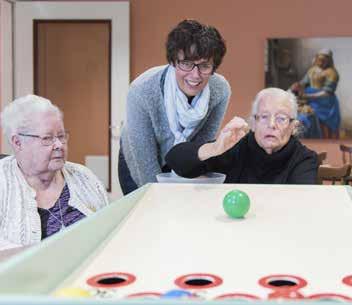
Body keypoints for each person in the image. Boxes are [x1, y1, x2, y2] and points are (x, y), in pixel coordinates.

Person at [119, 19, 231, 194]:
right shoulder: (142, 90)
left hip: (182, 159)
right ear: (172, 61)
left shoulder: (220, 90)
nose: (195, 75)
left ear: (214, 66)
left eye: (204, 65)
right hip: (138, 158)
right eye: (186, 63)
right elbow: (143, 161)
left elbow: (200, 148)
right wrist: (157, 199)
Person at [0, 95, 109, 250]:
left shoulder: (84, 177)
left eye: (61, 136)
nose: (59, 145)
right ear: (18, 142)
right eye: (47, 138)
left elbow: (112, 228)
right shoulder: (3, 183)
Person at [166, 88, 319, 184]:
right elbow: (175, 160)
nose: (271, 124)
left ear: (293, 126)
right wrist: (214, 148)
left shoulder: (305, 159)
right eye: (264, 116)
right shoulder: (235, 146)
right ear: (253, 123)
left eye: (281, 118)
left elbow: (300, 204)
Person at [291, 49, 341, 138]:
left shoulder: (332, 73)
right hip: (310, 99)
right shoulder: (312, 70)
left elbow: (327, 92)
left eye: (323, 60)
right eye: (319, 60)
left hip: (326, 102)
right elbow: (304, 82)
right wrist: (297, 85)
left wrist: (308, 96)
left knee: (317, 119)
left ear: (329, 61)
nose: (321, 62)